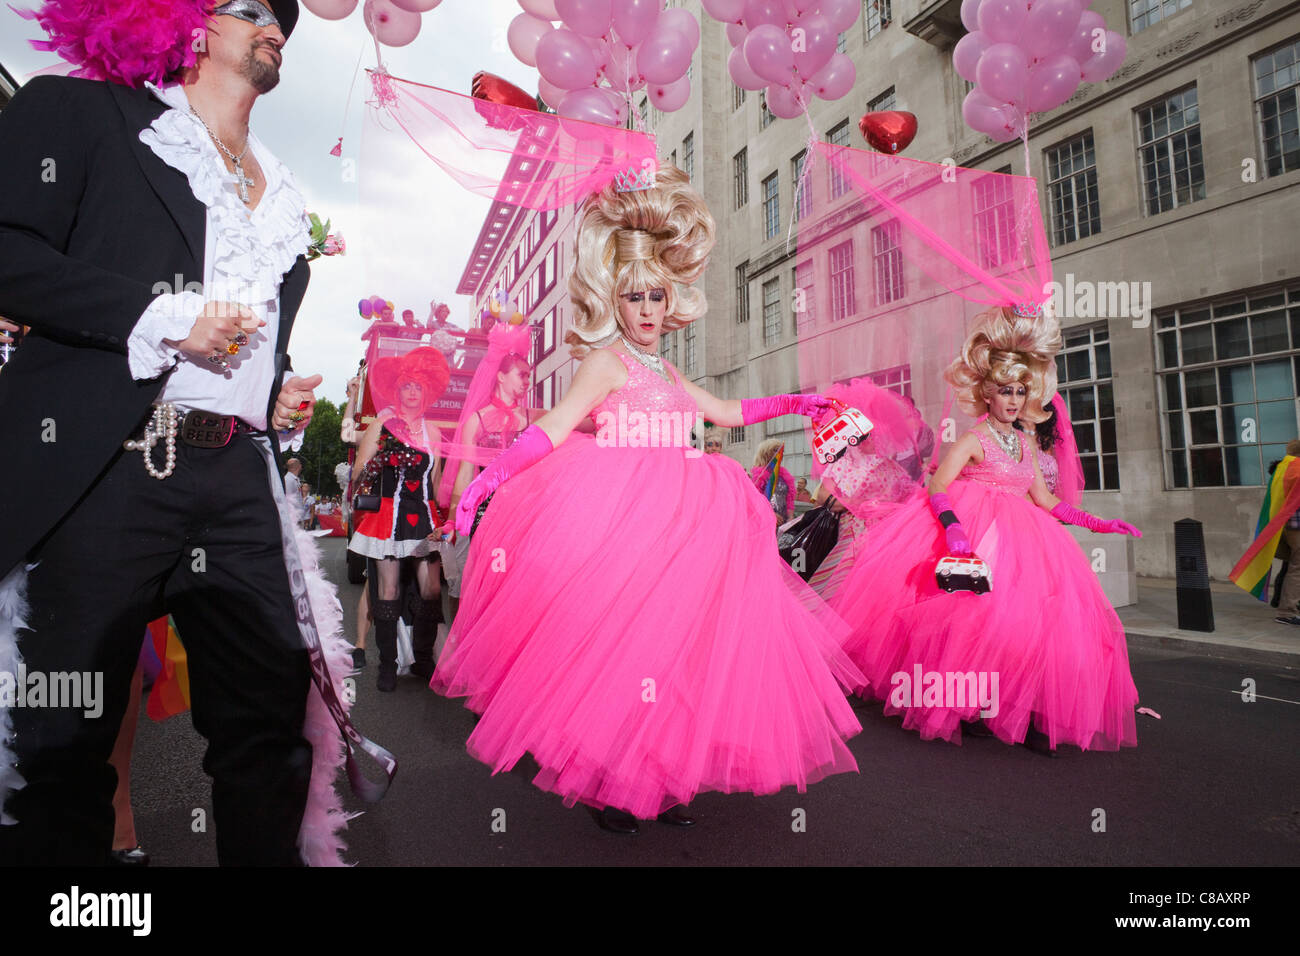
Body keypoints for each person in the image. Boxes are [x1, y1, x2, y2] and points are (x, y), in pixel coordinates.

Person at [0, 0, 345, 866]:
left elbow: (252, 338)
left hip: (236, 479)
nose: (275, 26)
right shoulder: (80, 113)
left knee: (269, 731)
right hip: (107, 467)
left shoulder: (281, 191)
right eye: (251, 9)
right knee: (63, 736)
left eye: (282, 18)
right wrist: (154, 316)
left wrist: (273, 393)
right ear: (185, 22)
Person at [433, 165, 864, 835]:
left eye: (656, 298)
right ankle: (612, 781)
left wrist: (797, 400)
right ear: (617, 300)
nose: (645, 310)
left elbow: (725, 410)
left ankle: (665, 774)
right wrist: (491, 478)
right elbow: (553, 425)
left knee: (678, 653)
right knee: (620, 654)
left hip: (688, 526)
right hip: (619, 522)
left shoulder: (666, 368)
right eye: (634, 297)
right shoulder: (606, 361)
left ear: (672, 301)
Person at [827, 306, 1142, 755]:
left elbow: (1047, 501)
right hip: (977, 535)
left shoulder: (1027, 442)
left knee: (1032, 626)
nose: (1013, 400)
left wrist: (1101, 523)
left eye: (1019, 391)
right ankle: (973, 706)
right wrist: (955, 531)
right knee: (977, 626)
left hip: (1027, 542)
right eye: (1003, 392)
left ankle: (1027, 711)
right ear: (987, 396)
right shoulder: (972, 440)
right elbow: (937, 485)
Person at [349, 346, 450, 690]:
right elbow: (359, 473)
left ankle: (422, 658)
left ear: (427, 392)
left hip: (422, 518)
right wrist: (382, 460)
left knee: (432, 588)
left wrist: (445, 518)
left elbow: (435, 482)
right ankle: (388, 666)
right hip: (388, 519)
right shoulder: (381, 424)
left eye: (418, 387)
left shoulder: (433, 433)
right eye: (406, 386)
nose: (411, 392)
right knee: (389, 590)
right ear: (398, 391)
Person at [751, 439, 795, 523]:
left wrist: (790, 517)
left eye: (782, 450)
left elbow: (789, 499)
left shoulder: (784, 475)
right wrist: (770, 514)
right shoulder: (758, 476)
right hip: (764, 522)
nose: (780, 453)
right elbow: (754, 501)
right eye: (775, 450)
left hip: (783, 523)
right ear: (766, 453)